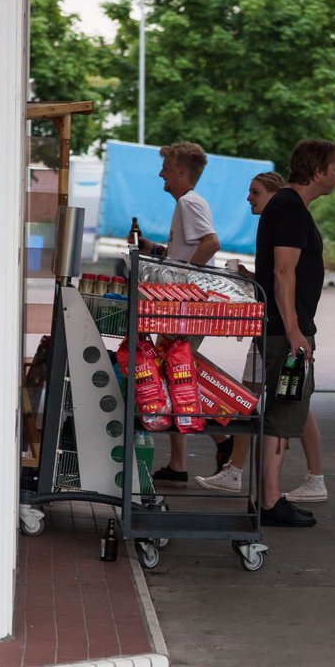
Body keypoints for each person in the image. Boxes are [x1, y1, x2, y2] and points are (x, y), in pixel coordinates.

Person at [197, 171, 328, 502]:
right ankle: (239, 471)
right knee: (262, 398)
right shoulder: (278, 221)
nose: (249, 198)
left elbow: (286, 276)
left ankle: (307, 477)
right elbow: (277, 278)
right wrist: (249, 277)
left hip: (279, 329)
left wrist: (292, 328)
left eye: (255, 192)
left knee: (286, 402)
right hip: (272, 327)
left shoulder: (286, 216)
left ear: (273, 193)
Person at [255, 139, 335, 527]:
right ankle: (271, 501)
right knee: (283, 412)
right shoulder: (289, 207)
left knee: (285, 413)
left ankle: (271, 497)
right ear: (318, 170)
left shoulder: (290, 207)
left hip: (285, 329)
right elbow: (283, 271)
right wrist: (294, 332)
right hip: (284, 332)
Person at [130, 141, 219, 487]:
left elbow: (210, 243)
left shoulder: (189, 202)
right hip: (184, 305)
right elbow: (187, 251)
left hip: (186, 306)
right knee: (172, 377)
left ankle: (224, 440)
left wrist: (182, 280)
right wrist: (154, 251)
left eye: (166, 168)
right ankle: (179, 463)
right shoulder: (186, 204)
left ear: (181, 172)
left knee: (177, 377)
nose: (161, 174)